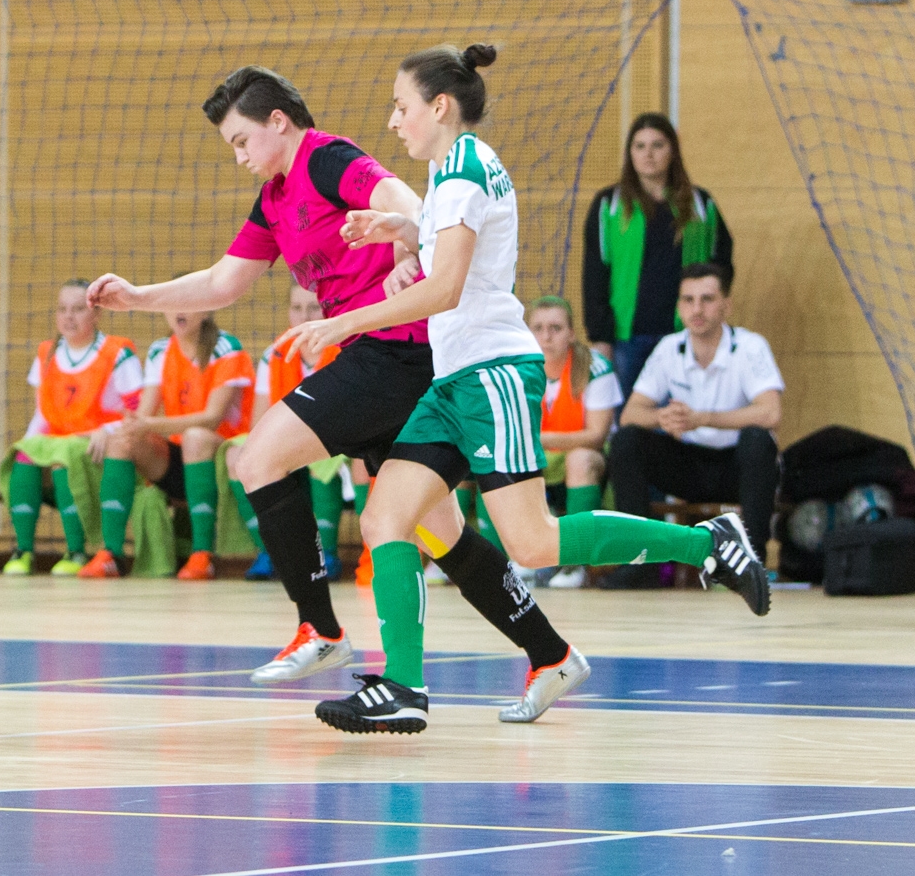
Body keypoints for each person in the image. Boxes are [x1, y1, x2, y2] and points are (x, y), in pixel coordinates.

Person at [281, 44, 769, 735]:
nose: (393, 120)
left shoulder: (462, 171)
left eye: (401, 106)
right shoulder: (455, 169)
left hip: (493, 375)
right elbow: (462, 250)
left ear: (439, 106)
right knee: (384, 517)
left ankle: (706, 544)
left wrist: (345, 323)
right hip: (455, 382)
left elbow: (447, 288)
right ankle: (404, 686)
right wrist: (405, 228)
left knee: (533, 542)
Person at [88, 65, 581, 717]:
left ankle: (319, 627)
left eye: (242, 141)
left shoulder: (327, 159)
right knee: (442, 533)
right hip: (387, 360)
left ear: (278, 122)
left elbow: (409, 201)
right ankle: (550, 653)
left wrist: (411, 249)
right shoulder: (273, 199)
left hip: (395, 350)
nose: (239, 157)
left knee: (258, 458)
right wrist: (137, 297)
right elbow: (223, 282)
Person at [607, 263, 784, 570]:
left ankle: (750, 562)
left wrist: (703, 418)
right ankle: (639, 563)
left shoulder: (750, 346)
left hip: (736, 468)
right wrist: (663, 417)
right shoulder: (668, 348)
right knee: (626, 441)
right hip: (687, 465)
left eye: (707, 299)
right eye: (688, 300)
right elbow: (630, 415)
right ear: (679, 306)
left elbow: (771, 412)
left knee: (758, 440)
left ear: (726, 305)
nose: (697, 309)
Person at [582, 112, 733, 399]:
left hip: (684, 335)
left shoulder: (700, 204)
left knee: (681, 420)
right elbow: (594, 273)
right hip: (628, 339)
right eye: (639, 146)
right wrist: (600, 336)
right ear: (630, 153)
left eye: (657, 145)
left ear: (672, 150)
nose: (648, 154)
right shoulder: (609, 205)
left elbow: (721, 264)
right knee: (629, 420)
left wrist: (709, 318)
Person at [0, 279, 144, 576]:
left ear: (97, 313)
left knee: (61, 457)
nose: (68, 317)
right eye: (62, 309)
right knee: (24, 455)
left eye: (78, 309)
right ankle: (23, 550)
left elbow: (139, 414)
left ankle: (76, 551)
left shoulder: (117, 352)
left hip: (100, 446)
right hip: (61, 443)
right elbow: (41, 416)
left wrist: (108, 431)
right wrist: (28, 445)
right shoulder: (47, 353)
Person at [112, 308, 253, 581]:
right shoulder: (160, 350)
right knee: (123, 440)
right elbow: (144, 415)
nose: (178, 310)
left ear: (205, 309)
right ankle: (110, 555)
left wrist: (148, 424)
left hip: (223, 455)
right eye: (171, 303)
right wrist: (130, 425)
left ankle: (202, 554)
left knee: (196, 437)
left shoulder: (225, 347)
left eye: (186, 302)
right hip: (180, 455)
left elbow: (212, 418)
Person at [226, 281, 344, 582]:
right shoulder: (275, 354)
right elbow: (258, 422)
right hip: (287, 442)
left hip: (334, 439)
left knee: (325, 457)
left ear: (327, 310)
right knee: (238, 455)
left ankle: (327, 554)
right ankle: (270, 551)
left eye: (313, 307)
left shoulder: (343, 349)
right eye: (297, 308)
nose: (304, 316)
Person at [527, 295, 622, 589]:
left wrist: (538, 440)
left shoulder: (594, 367)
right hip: (541, 458)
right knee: (505, 460)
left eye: (555, 328)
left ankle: (575, 562)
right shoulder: (518, 369)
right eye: (538, 328)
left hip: (589, 459)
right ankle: (518, 560)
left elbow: (596, 435)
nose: (546, 336)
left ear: (571, 333)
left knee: (579, 459)